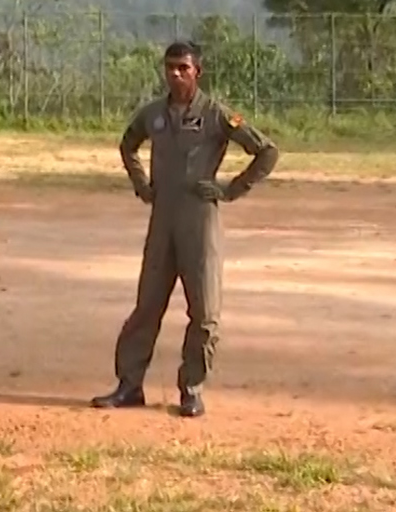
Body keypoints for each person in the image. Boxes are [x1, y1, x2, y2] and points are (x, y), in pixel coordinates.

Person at [91, 40, 280, 418]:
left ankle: (191, 390)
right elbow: (128, 145)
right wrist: (141, 184)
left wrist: (231, 188)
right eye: (169, 67)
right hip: (162, 220)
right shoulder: (154, 114)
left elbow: (267, 151)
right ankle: (129, 385)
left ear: (198, 72)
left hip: (199, 221)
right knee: (147, 306)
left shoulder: (216, 115)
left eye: (183, 68)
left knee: (205, 312)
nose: (175, 74)